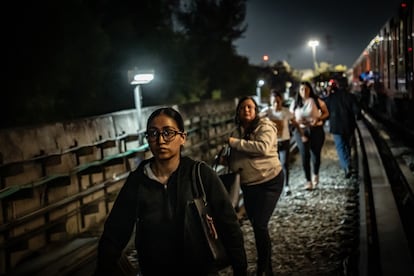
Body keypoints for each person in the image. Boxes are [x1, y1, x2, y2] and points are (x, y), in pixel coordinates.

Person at [94, 107, 247, 275]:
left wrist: (240, 268)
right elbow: (115, 231)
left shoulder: (199, 174)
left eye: (168, 133)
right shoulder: (138, 181)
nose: (160, 140)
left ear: (182, 138)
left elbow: (228, 223)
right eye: (153, 133)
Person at [227, 96, 284, 275]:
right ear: (238, 111)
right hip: (249, 184)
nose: (246, 110)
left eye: (250, 107)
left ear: (256, 110)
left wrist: (235, 143)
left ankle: (262, 268)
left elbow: (262, 147)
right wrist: (228, 159)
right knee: (255, 224)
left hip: (269, 182)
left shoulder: (265, 126)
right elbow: (241, 154)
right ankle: (268, 269)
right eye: (243, 107)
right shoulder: (238, 130)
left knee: (260, 224)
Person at [289, 81, 330, 190]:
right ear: (299, 91)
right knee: (304, 155)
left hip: (316, 129)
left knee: (316, 154)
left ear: (310, 90)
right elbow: (290, 118)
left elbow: (326, 113)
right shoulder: (295, 103)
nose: (304, 91)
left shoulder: (316, 101)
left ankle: (315, 174)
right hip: (301, 131)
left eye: (306, 89)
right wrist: (296, 121)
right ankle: (308, 181)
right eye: (302, 89)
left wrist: (318, 118)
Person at [325, 78, 361, 178]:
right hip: (349, 126)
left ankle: (346, 166)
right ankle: (348, 163)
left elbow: (325, 110)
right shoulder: (351, 96)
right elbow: (357, 110)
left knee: (340, 147)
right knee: (347, 146)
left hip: (336, 126)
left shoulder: (331, 97)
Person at [261, 90, 293, 196]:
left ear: (281, 101)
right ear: (271, 101)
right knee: (272, 165)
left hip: (284, 141)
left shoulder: (285, 111)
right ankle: (275, 186)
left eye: (278, 101)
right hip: (271, 143)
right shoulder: (268, 111)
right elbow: (257, 117)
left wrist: (301, 133)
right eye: (274, 101)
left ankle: (287, 185)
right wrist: (263, 116)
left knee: (284, 163)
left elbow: (294, 121)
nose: (276, 103)